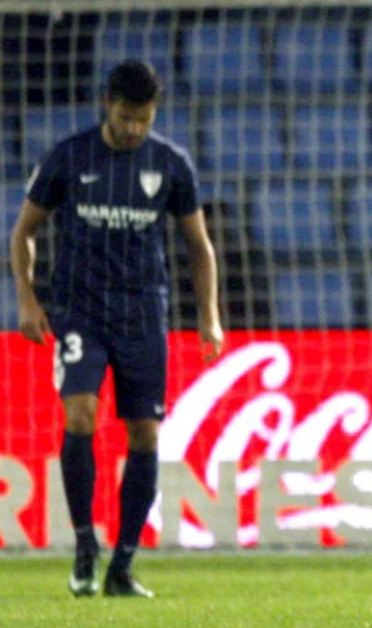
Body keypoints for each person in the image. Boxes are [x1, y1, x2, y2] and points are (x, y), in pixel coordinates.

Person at [9, 60, 224, 599]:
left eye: (144, 120)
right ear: (108, 103)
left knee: (145, 435)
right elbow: (23, 232)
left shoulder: (170, 165)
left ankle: (123, 565)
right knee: (80, 413)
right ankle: (84, 544)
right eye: (126, 117)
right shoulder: (70, 156)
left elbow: (199, 249)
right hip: (80, 310)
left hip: (143, 315)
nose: (133, 130)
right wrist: (28, 300)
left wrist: (210, 319)